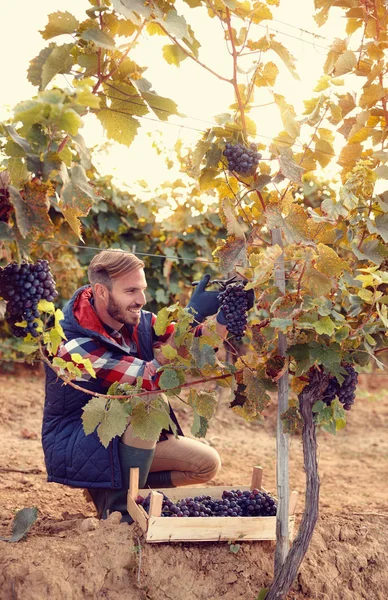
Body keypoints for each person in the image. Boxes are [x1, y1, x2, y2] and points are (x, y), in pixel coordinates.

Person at [42, 249, 229, 522]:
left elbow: (191, 344)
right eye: (131, 291)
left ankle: (114, 488)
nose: (141, 299)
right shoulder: (72, 344)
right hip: (80, 441)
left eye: (142, 289)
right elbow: (149, 377)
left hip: (122, 436)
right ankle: (118, 509)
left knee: (205, 465)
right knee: (147, 400)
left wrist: (222, 319)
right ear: (101, 292)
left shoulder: (138, 319)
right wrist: (191, 314)